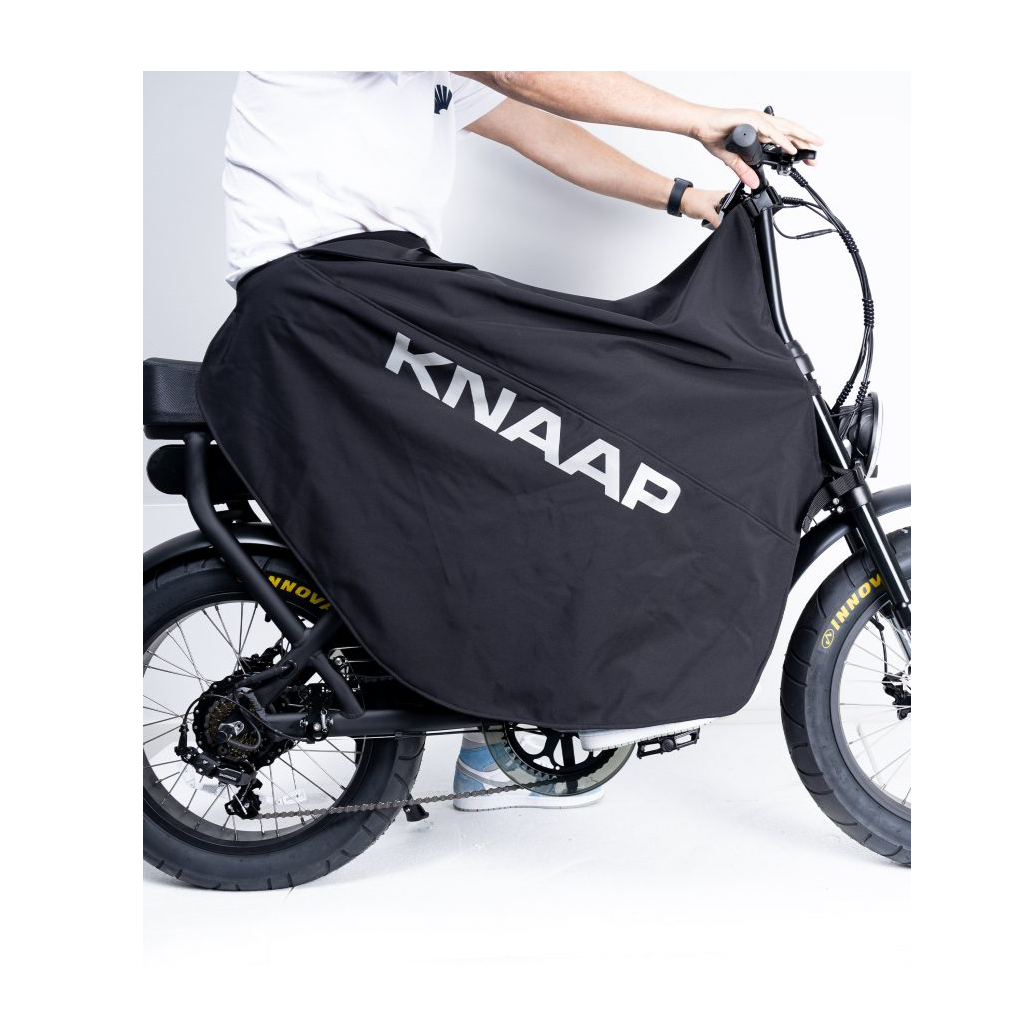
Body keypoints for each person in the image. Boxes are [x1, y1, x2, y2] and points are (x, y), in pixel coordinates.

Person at [221, 70, 823, 811]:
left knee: (520, 467)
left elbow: (541, 130)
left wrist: (685, 197)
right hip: (322, 292)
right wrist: (699, 118)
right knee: (588, 388)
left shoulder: (426, 67)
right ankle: (541, 711)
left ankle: (497, 733)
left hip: (367, 282)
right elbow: (523, 74)